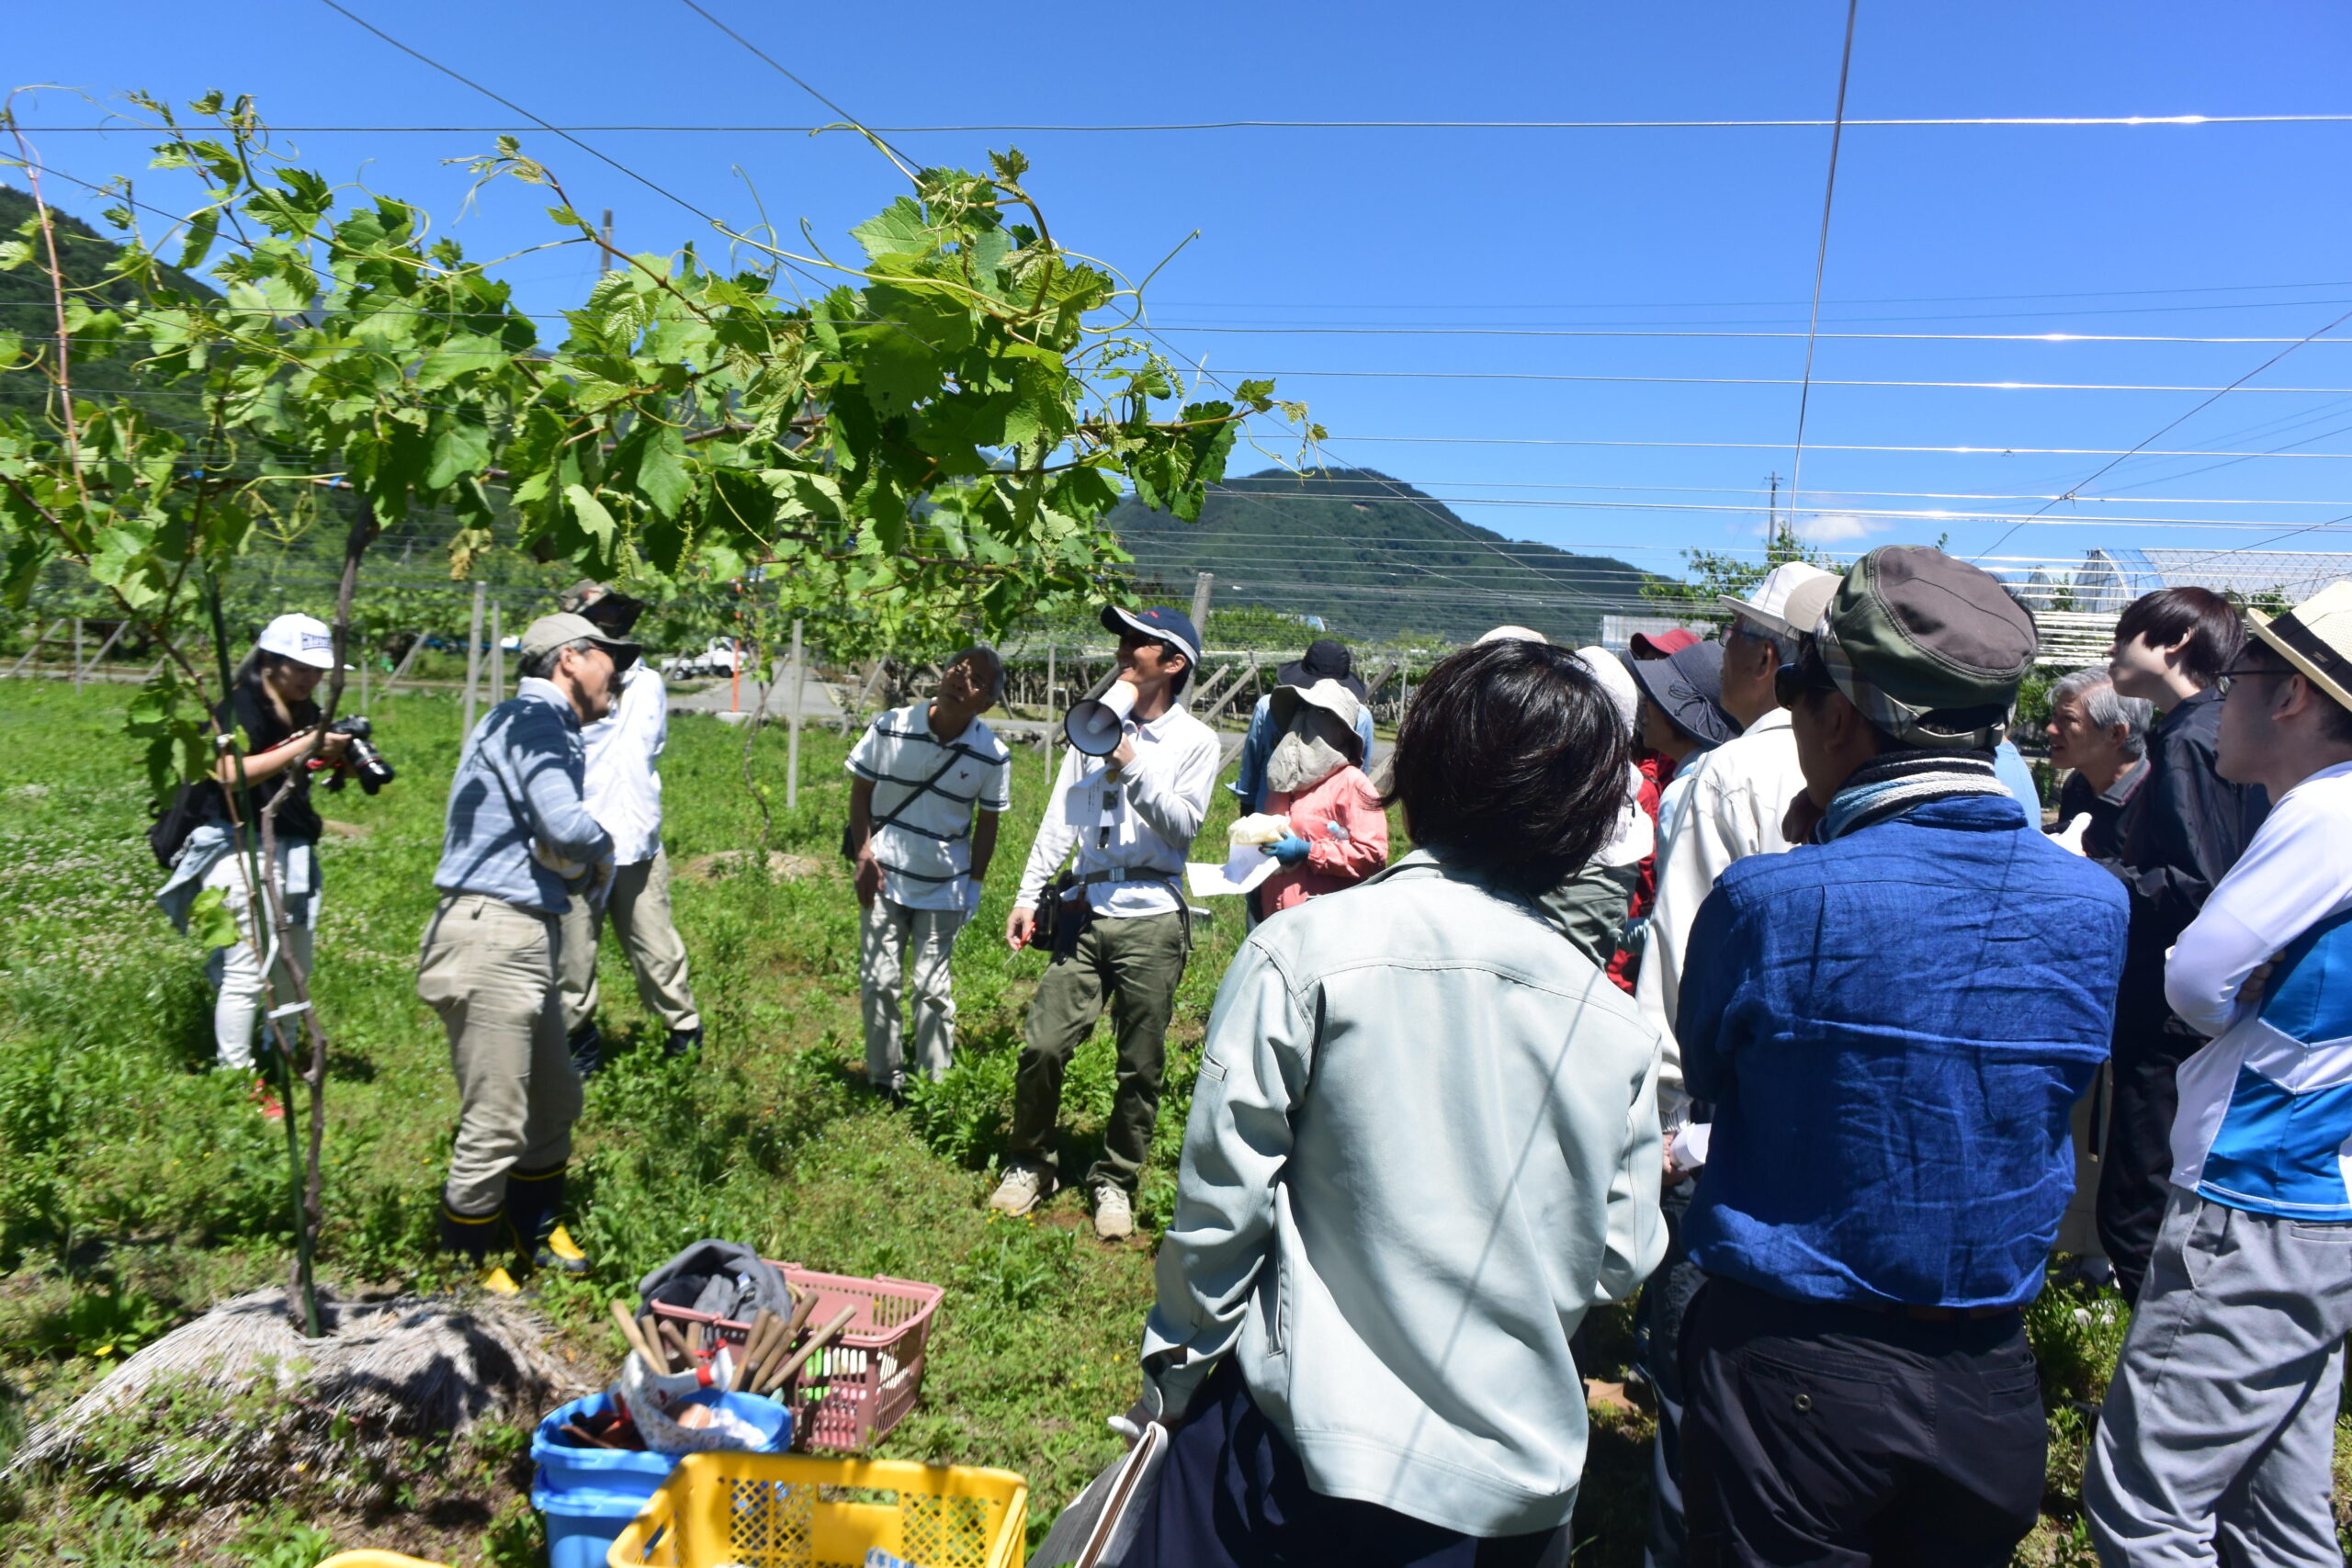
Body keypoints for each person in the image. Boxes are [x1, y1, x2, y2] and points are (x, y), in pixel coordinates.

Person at [1129, 637, 1666, 1568]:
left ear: (1413, 773)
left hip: (1301, 1469)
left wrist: (1172, 1372)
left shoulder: (1306, 954)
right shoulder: (1614, 1024)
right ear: (1583, 821)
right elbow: (1620, 1256)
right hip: (1512, 1497)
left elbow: (1223, 1203)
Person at [1675, 547, 2128, 1565]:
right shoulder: (2095, 904)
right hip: (1986, 1371)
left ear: (1838, 716)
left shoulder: (1769, 901)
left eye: (1796, 691)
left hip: (1793, 1363)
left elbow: (1708, 1068)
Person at [2083, 581, 2352, 1565]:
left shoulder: (2326, 816)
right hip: (2318, 1197)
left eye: (2236, 677)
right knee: (2271, 1509)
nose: (2215, 698)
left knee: (2145, 1506)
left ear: (2293, 699)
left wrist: (2216, 1002)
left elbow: (2196, 975)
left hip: (2254, 1190)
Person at [418, 612, 632, 1292]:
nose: (618, 671)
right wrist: (605, 849)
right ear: (568, 659)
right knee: (497, 1114)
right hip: (491, 933)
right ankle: (469, 1259)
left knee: (554, 1094)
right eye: (608, 656)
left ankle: (533, 1224)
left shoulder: (539, 724)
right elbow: (563, 826)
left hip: (520, 929)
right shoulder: (535, 720)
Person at [994, 605, 1220, 1240]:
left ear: (1172, 664)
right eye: (1122, 637)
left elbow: (1182, 827)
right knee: (1043, 1043)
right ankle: (1029, 1163)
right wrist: (1028, 891)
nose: (1124, 648)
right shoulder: (1091, 725)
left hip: (1152, 918)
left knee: (1139, 1061)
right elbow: (1061, 817)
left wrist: (1131, 763)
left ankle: (1115, 1179)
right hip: (1087, 909)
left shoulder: (1195, 741)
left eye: (1139, 642)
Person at [2090, 586, 2269, 1300]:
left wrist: (2102, 876)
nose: (2111, 653)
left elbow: (2200, 879)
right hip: (2194, 1010)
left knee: (2137, 1199)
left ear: (2171, 645)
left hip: (2167, 1010)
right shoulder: (2212, 727)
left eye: (2124, 636)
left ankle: (2153, 1371)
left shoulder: (2192, 734)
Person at [155, 614, 352, 1095]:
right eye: (299, 667)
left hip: (287, 842)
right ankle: (236, 1077)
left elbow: (288, 769)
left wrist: (329, 756)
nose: (310, 678)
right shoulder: (239, 705)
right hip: (233, 844)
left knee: (293, 960)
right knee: (247, 966)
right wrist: (305, 744)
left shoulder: (303, 709)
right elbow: (226, 773)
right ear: (269, 661)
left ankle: (277, 1051)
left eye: (317, 669)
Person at [845, 646, 1012, 1095]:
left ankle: (934, 1086)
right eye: (957, 668)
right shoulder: (891, 726)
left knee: (932, 988)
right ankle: (885, 1078)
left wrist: (974, 885)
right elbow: (861, 793)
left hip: (944, 887)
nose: (961, 679)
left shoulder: (992, 755)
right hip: (883, 877)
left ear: (987, 702)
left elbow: (987, 825)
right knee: (879, 981)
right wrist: (864, 854)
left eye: (976, 679)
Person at [554, 584, 703, 1072]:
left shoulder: (649, 683)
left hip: (636, 842)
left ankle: (683, 1035)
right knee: (572, 957)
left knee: (657, 948)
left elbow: (650, 749)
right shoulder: (556, 684)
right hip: (574, 842)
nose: (611, 621)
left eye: (617, 611)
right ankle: (579, 1045)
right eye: (600, 614)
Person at [1255, 677, 1387, 913]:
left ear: (1339, 729)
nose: (1305, 719)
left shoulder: (1352, 784)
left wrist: (1308, 851)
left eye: (1319, 712)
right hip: (1274, 917)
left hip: (1324, 922)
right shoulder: (1283, 781)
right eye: (1303, 709)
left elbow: (1372, 856)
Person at [1228, 637, 1376, 813]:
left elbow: (1252, 767)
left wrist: (1246, 812)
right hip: (1327, 824)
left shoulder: (1268, 706)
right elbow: (1359, 775)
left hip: (1269, 819)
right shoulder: (1362, 717)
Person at [2046, 667, 2154, 860]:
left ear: (2115, 734)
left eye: (2068, 719)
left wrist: (2086, 867)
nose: (2051, 729)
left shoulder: (2159, 796)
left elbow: (2176, 881)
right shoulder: (2078, 784)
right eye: (2054, 716)